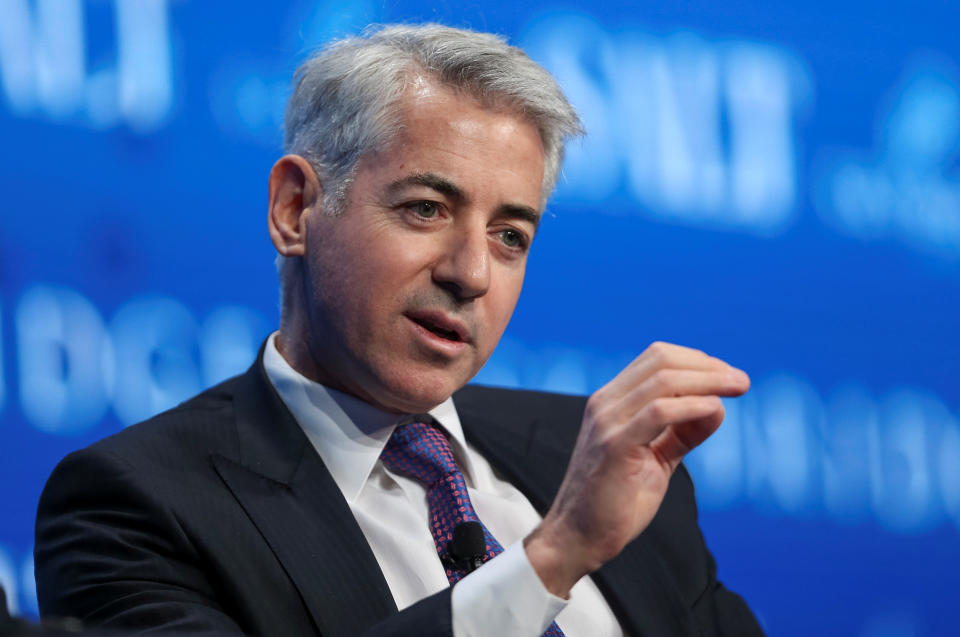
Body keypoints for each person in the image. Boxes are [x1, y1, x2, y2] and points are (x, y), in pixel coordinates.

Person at [35, 24, 764, 636]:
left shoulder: (598, 460)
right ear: (295, 209)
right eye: (426, 209)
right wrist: (551, 557)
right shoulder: (136, 507)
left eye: (511, 235)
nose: (471, 272)